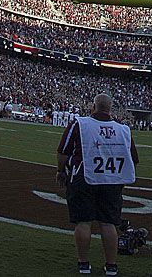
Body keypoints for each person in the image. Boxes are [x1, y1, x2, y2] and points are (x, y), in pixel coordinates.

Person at [57, 92, 138, 276]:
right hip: (112, 180)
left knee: (83, 222)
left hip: (84, 178)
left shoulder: (79, 123)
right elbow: (132, 159)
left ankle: (84, 263)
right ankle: (111, 266)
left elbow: (63, 152)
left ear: (93, 107)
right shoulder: (123, 129)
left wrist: (61, 171)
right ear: (110, 109)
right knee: (109, 224)